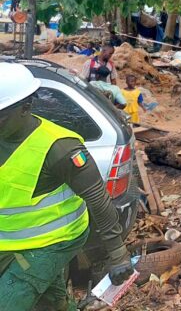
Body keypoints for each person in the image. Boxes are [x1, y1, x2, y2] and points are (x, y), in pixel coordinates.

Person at [0, 62, 134, 310]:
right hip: (10, 241)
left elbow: (98, 200)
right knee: (51, 302)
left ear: (26, 107)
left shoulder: (61, 149)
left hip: (53, 242)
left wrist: (118, 254)